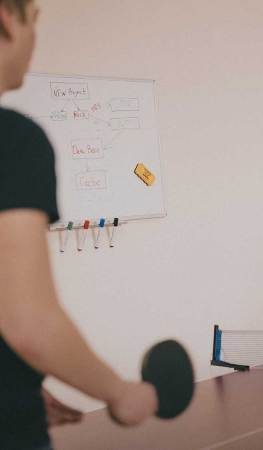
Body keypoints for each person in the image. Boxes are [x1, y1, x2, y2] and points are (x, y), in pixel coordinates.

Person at [0, 1, 158, 449]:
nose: (34, 41)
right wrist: (120, 392)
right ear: (7, 19)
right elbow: (29, 322)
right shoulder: (13, 140)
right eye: (35, 22)